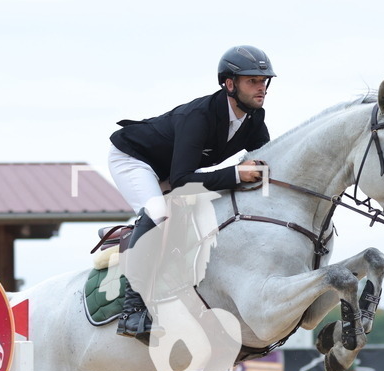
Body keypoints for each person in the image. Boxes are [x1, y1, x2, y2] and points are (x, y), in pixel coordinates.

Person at [108, 45, 275, 340]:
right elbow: (183, 181)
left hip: (173, 168)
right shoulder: (200, 115)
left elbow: (267, 166)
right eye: (253, 81)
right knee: (158, 213)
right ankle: (132, 311)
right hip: (135, 158)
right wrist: (237, 174)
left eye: (264, 81)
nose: (261, 88)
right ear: (229, 84)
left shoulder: (255, 119)